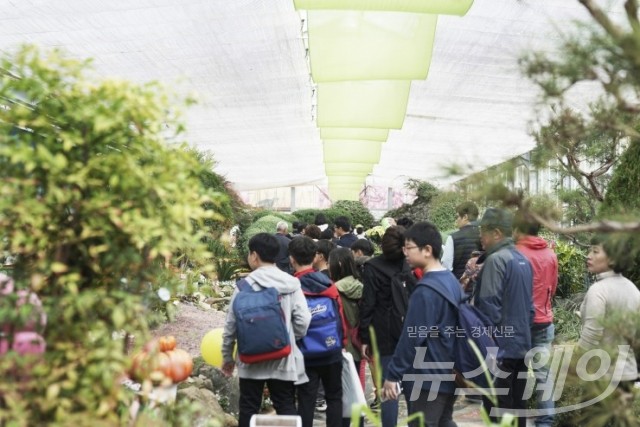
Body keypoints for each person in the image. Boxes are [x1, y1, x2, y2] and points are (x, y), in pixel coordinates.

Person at [221, 233, 311, 427]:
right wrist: (285, 337)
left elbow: (231, 326)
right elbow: (303, 320)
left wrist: (227, 357)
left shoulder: (244, 286)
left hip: (250, 359)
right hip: (283, 357)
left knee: (248, 408)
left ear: (254, 256)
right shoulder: (291, 283)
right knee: (285, 405)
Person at [382, 222, 461, 427]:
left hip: (428, 376)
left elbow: (412, 336)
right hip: (449, 371)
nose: (405, 253)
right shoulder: (451, 280)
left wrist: (393, 375)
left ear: (427, 250)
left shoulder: (425, 290)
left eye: (409, 247)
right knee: (444, 421)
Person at [473, 208, 533, 427]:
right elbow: (530, 309)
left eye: (483, 231)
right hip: (521, 347)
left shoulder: (496, 261)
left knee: (498, 411)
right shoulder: (523, 260)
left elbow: (488, 308)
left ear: (496, 233)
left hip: (500, 350)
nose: (480, 236)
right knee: (518, 408)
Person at [289, 236, 346, 427]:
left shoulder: (291, 287)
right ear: (315, 257)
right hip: (331, 349)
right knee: (335, 397)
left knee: (306, 400)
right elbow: (340, 315)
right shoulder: (328, 283)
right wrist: (342, 343)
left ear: (292, 259)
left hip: (305, 353)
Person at [359, 226, 412, 427]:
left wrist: (364, 337)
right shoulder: (409, 265)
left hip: (383, 333)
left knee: (388, 386)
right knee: (412, 384)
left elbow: (368, 304)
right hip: (409, 329)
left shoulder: (373, 267)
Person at [513, 211, 558, 427]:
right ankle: (546, 421)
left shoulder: (515, 253)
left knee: (516, 374)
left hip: (520, 323)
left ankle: (517, 419)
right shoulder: (550, 254)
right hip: (544, 319)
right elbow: (553, 286)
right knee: (543, 375)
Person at [578, 235, 640, 390]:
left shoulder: (599, 290)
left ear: (612, 259)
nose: (589, 256)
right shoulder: (632, 289)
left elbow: (592, 334)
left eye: (595, 252)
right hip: (628, 376)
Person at [328, 247, 365, 427]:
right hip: (357, 346)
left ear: (339, 264)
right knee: (356, 389)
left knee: (341, 392)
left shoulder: (333, 290)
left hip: (340, 345)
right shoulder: (362, 286)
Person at [441, 202, 482, 280]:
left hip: (459, 286)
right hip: (479, 287)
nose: (457, 220)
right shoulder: (484, 236)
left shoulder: (453, 237)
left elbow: (446, 267)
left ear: (465, 217)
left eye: (457, 217)